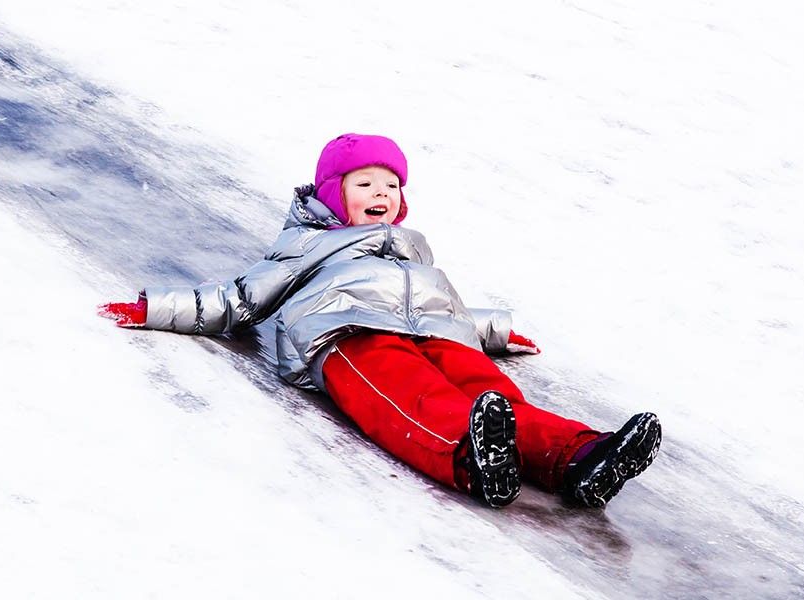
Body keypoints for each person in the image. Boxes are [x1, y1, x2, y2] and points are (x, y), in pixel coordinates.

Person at [99, 133, 660, 508]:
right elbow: (237, 298)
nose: (382, 194)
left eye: (391, 186)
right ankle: (470, 456)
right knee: (411, 394)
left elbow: (445, 304)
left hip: (440, 333)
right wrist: (155, 307)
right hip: (349, 335)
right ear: (331, 194)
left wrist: (491, 330)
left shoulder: (412, 246)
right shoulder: (307, 244)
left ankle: (581, 458)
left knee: (493, 394)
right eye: (365, 184)